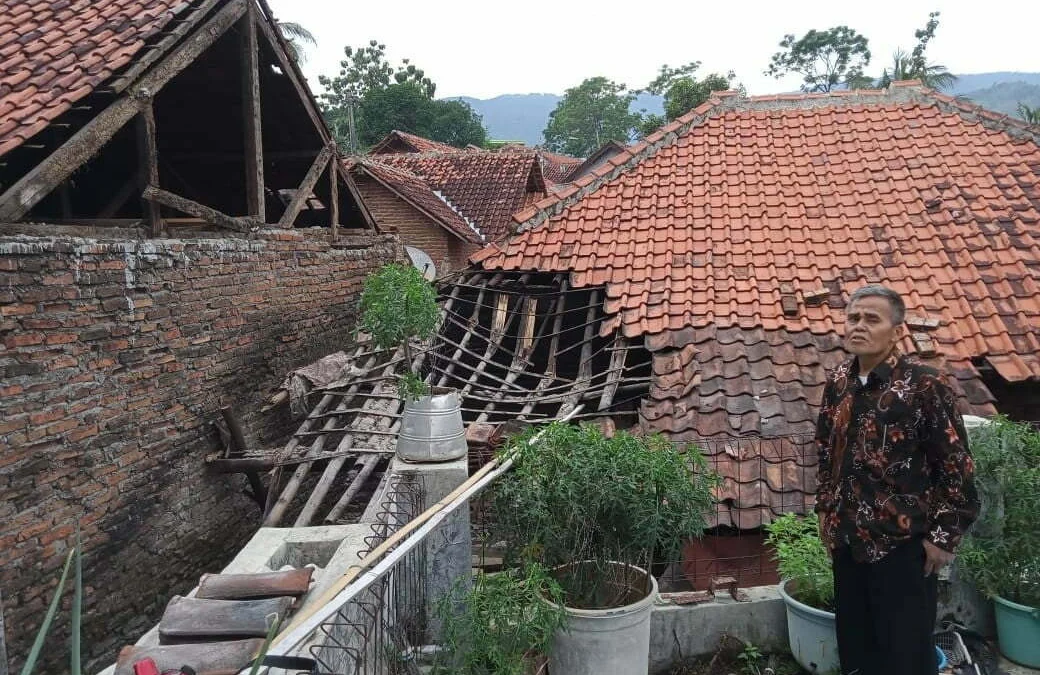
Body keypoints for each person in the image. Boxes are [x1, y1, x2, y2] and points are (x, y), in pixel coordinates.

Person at [814, 284, 979, 675]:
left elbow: (957, 465)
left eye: (872, 319)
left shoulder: (925, 385)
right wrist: (824, 510)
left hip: (903, 545)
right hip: (848, 539)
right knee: (857, 647)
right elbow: (825, 451)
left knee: (905, 653)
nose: (859, 326)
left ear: (896, 331)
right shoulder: (839, 381)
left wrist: (943, 538)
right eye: (853, 317)